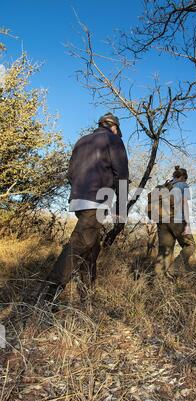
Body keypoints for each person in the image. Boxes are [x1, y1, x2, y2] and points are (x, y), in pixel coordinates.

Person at [41, 113, 129, 303]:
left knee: (91, 247)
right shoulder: (113, 140)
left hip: (78, 199)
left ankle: (87, 295)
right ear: (114, 127)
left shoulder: (82, 141)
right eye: (118, 130)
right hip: (95, 200)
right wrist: (121, 211)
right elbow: (122, 176)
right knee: (79, 244)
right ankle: (48, 295)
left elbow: (71, 173)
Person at [154, 166, 195, 278]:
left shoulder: (166, 186)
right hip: (177, 220)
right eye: (185, 179)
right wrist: (187, 225)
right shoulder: (182, 185)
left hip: (162, 221)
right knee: (190, 245)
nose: (186, 181)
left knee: (164, 251)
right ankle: (175, 267)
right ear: (182, 177)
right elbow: (184, 204)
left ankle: (158, 282)